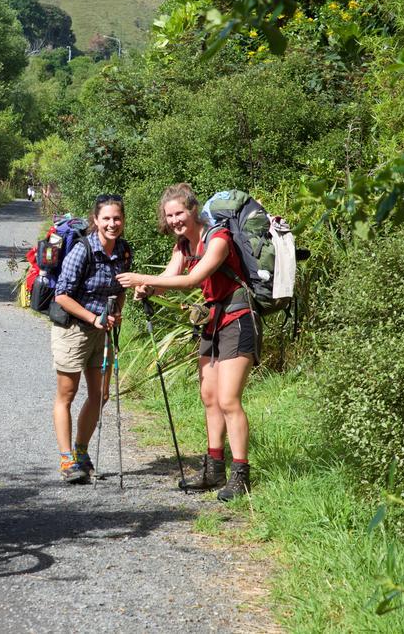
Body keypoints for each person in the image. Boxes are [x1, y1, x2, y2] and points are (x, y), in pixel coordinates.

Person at [116, 183, 259, 501]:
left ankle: (240, 475)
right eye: (169, 216)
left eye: (179, 212)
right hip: (213, 320)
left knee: (228, 400)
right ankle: (213, 468)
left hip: (238, 317)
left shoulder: (218, 239)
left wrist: (143, 279)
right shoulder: (182, 246)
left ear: (193, 210)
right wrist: (150, 289)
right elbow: (170, 279)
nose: (175, 220)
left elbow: (193, 280)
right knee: (209, 397)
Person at [50, 194, 131, 484]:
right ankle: (66, 459)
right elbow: (61, 295)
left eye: (117, 218)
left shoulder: (122, 250)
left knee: (100, 395)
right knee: (67, 394)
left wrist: (116, 312)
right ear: (95, 220)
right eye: (106, 218)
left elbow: (121, 287)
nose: (112, 223)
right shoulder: (82, 250)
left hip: (103, 331)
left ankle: (82, 452)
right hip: (73, 330)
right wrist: (92, 317)